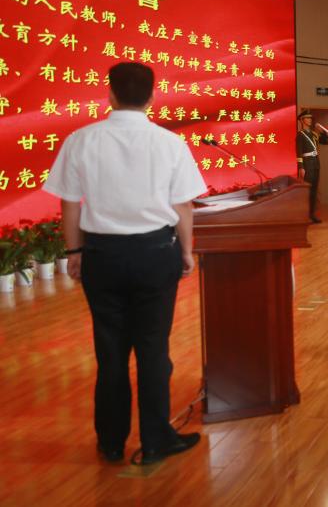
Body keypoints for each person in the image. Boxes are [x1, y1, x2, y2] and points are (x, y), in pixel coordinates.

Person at [43, 62, 207, 465]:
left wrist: (75, 253)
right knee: (153, 349)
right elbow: (183, 206)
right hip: (155, 253)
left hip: (102, 256)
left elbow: (69, 203)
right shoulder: (170, 143)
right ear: (152, 97)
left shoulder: (81, 140)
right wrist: (186, 252)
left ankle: (111, 441)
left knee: (110, 351)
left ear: (110, 94)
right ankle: (155, 440)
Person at [296, 109, 328, 223]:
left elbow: (325, 141)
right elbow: (299, 152)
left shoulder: (313, 134)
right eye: (307, 118)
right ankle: (304, 214)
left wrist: (322, 131)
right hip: (307, 164)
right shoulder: (300, 135)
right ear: (302, 120)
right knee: (307, 191)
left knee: (314, 190)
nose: (310, 120)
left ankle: (312, 214)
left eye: (310, 118)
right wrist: (301, 167)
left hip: (315, 163)